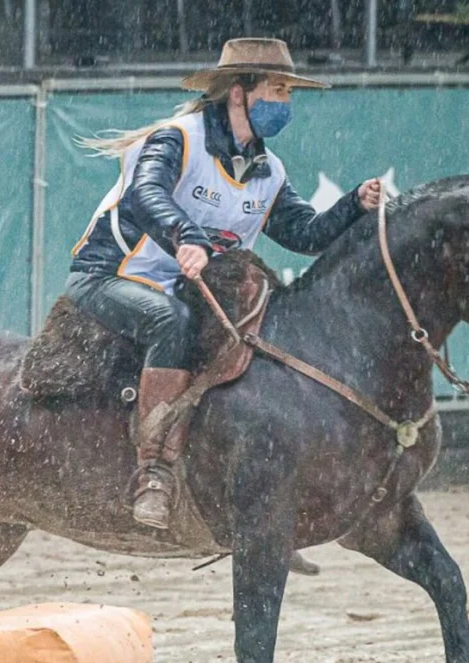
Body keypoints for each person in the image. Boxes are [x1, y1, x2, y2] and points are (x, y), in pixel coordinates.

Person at [66, 38, 382, 531]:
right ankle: (154, 470)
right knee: (171, 320)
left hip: (184, 287)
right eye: (278, 90)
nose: (286, 103)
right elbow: (145, 192)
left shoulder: (268, 171)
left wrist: (353, 206)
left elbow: (305, 233)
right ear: (239, 93)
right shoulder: (176, 139)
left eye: (288, 93)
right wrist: (184, 236)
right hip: (108, 277)